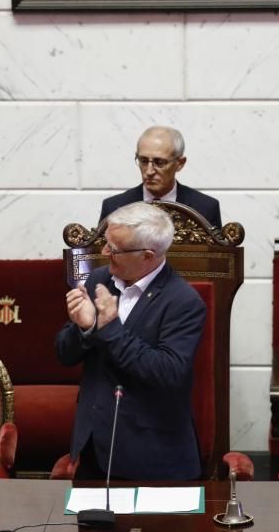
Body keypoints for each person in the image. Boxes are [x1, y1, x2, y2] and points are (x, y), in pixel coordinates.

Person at [56, 201, 207, 480]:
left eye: (114, 249)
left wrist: (108, 327)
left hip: (152, 457)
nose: (104, 253)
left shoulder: (183, 302)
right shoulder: (99, 281)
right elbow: (64, 354)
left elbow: (167, 372)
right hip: (93, 450)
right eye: (106, 243)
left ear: (148, 256)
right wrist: (84, 328)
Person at [98, 125, 222, 228]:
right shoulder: (115, 207)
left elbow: (216, 256)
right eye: (143, 160)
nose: (149, 171)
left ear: (180, 163)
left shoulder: (205, 208)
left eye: (159, 162)